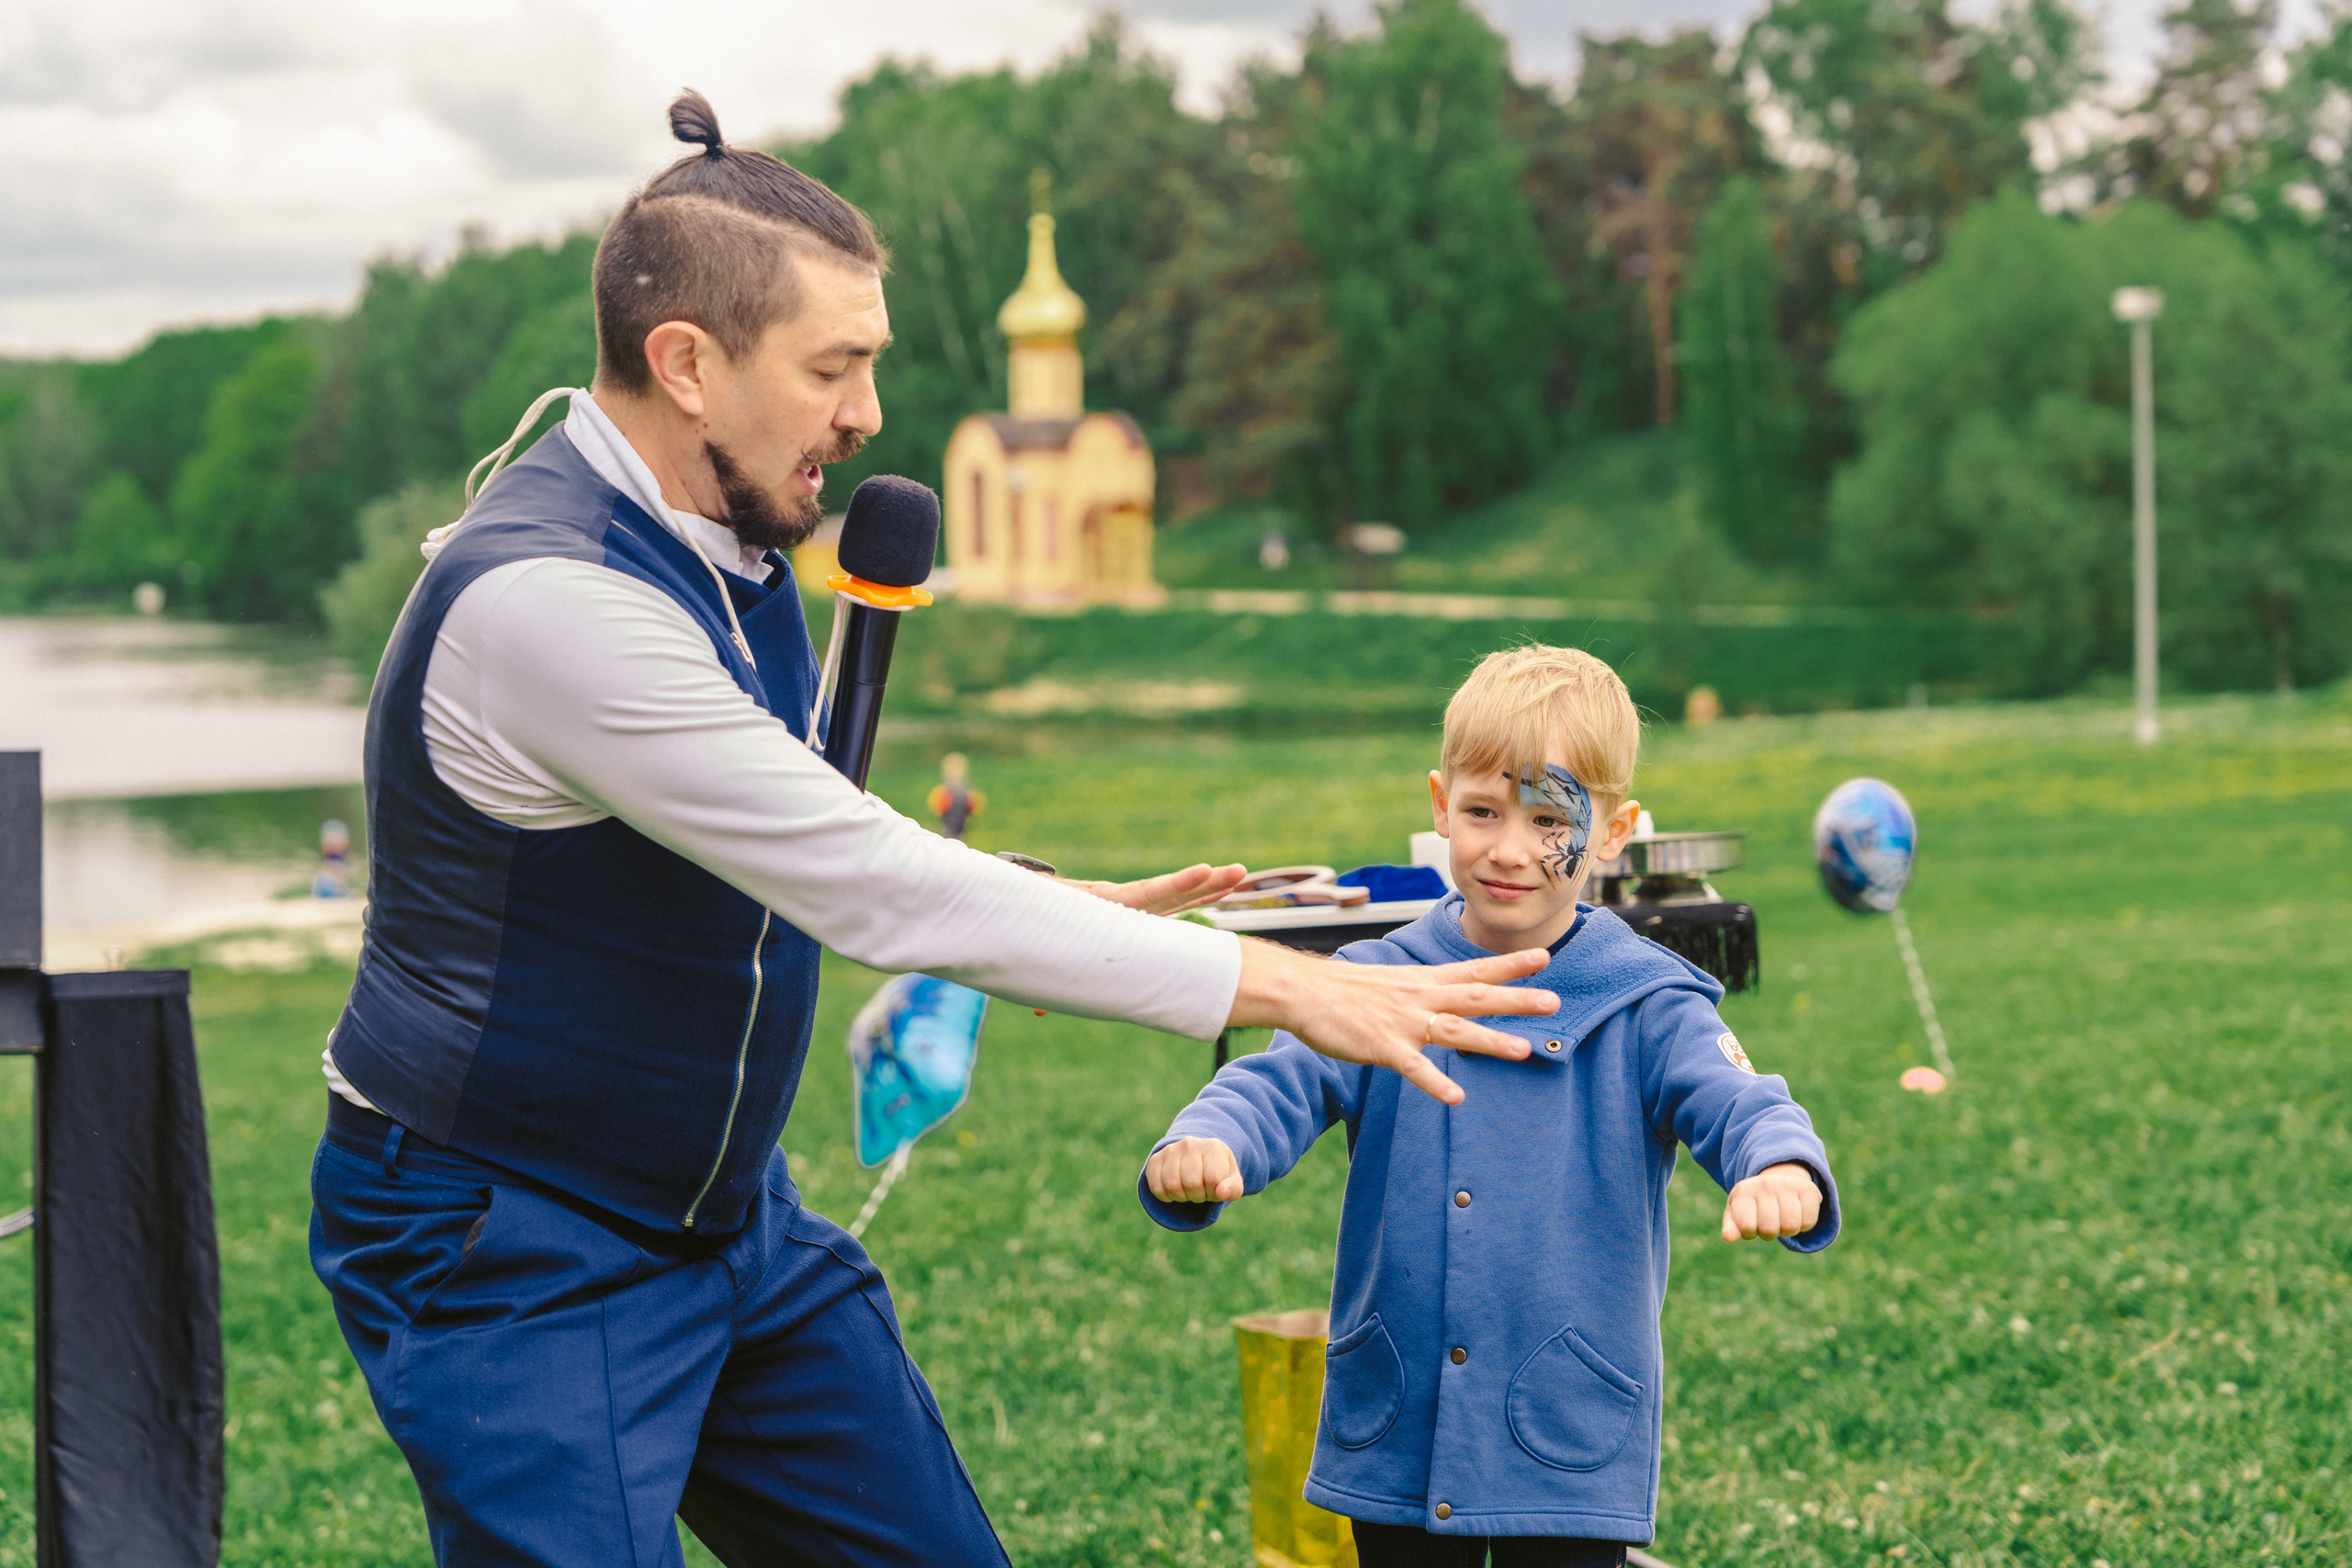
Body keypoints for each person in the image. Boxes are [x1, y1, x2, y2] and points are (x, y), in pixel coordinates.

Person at [309, 94, 1564, 1568]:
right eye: (831, 367)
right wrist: (1299, 986)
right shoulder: (554, 603)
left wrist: (1052, 900)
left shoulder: (725, 530)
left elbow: (785, 826)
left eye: (872, 362)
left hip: (722, 1214)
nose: (867, 415)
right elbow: (862, 878)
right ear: (687, 363)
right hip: (506, 1230)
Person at [1142, 645, 1840, 1567]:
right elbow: (1279, 1081)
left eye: (1550, 818)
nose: (1509, 849)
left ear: (1612, 832)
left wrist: (1779, 1164)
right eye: (1482, 811)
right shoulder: (1375, 982)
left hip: (1566, 1429)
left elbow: (1737, 1098)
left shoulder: (1648, 1002)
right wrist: (1210, 1137)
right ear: (1440, 805)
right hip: (1399, 1418)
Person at [927, 750, 985, 839]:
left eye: (957, 768)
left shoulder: (969, 793)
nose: (955, 772)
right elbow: (937, 811)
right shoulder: (940, 792)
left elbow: (976, 809)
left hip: (962, 833)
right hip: (946, 833)